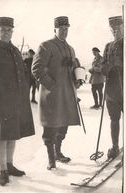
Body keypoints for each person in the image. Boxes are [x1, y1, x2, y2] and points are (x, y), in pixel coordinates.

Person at [32, 16, 82, 170]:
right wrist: (51, 85)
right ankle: (51, 159)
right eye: (62, 29)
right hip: (52, 95)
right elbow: (36, 69)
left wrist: (77, 78)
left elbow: (75, 68)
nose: (65, 31)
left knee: (63, 125)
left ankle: (58, 153)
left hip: (67, 94)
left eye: (67, 28)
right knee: (51, 127)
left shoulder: (71, 48)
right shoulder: (46, 46)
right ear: (55, 29)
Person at [0, 17, 35, 186]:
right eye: (3, 29)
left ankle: (10, 165)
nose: (6, 32)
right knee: (2, 137)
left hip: (16, 101)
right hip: (1, 101)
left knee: (12, 135)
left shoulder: (15, 50)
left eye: (9, 30)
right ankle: (3, 170)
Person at [101, 16, 123, 158]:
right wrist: (107, 67)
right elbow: (102, 68)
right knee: (114, 119)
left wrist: (119, 63)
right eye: (112, 28)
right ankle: (115, 147)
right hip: (112, 90)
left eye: (118, 27)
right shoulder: (108, 46)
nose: (115, 30)